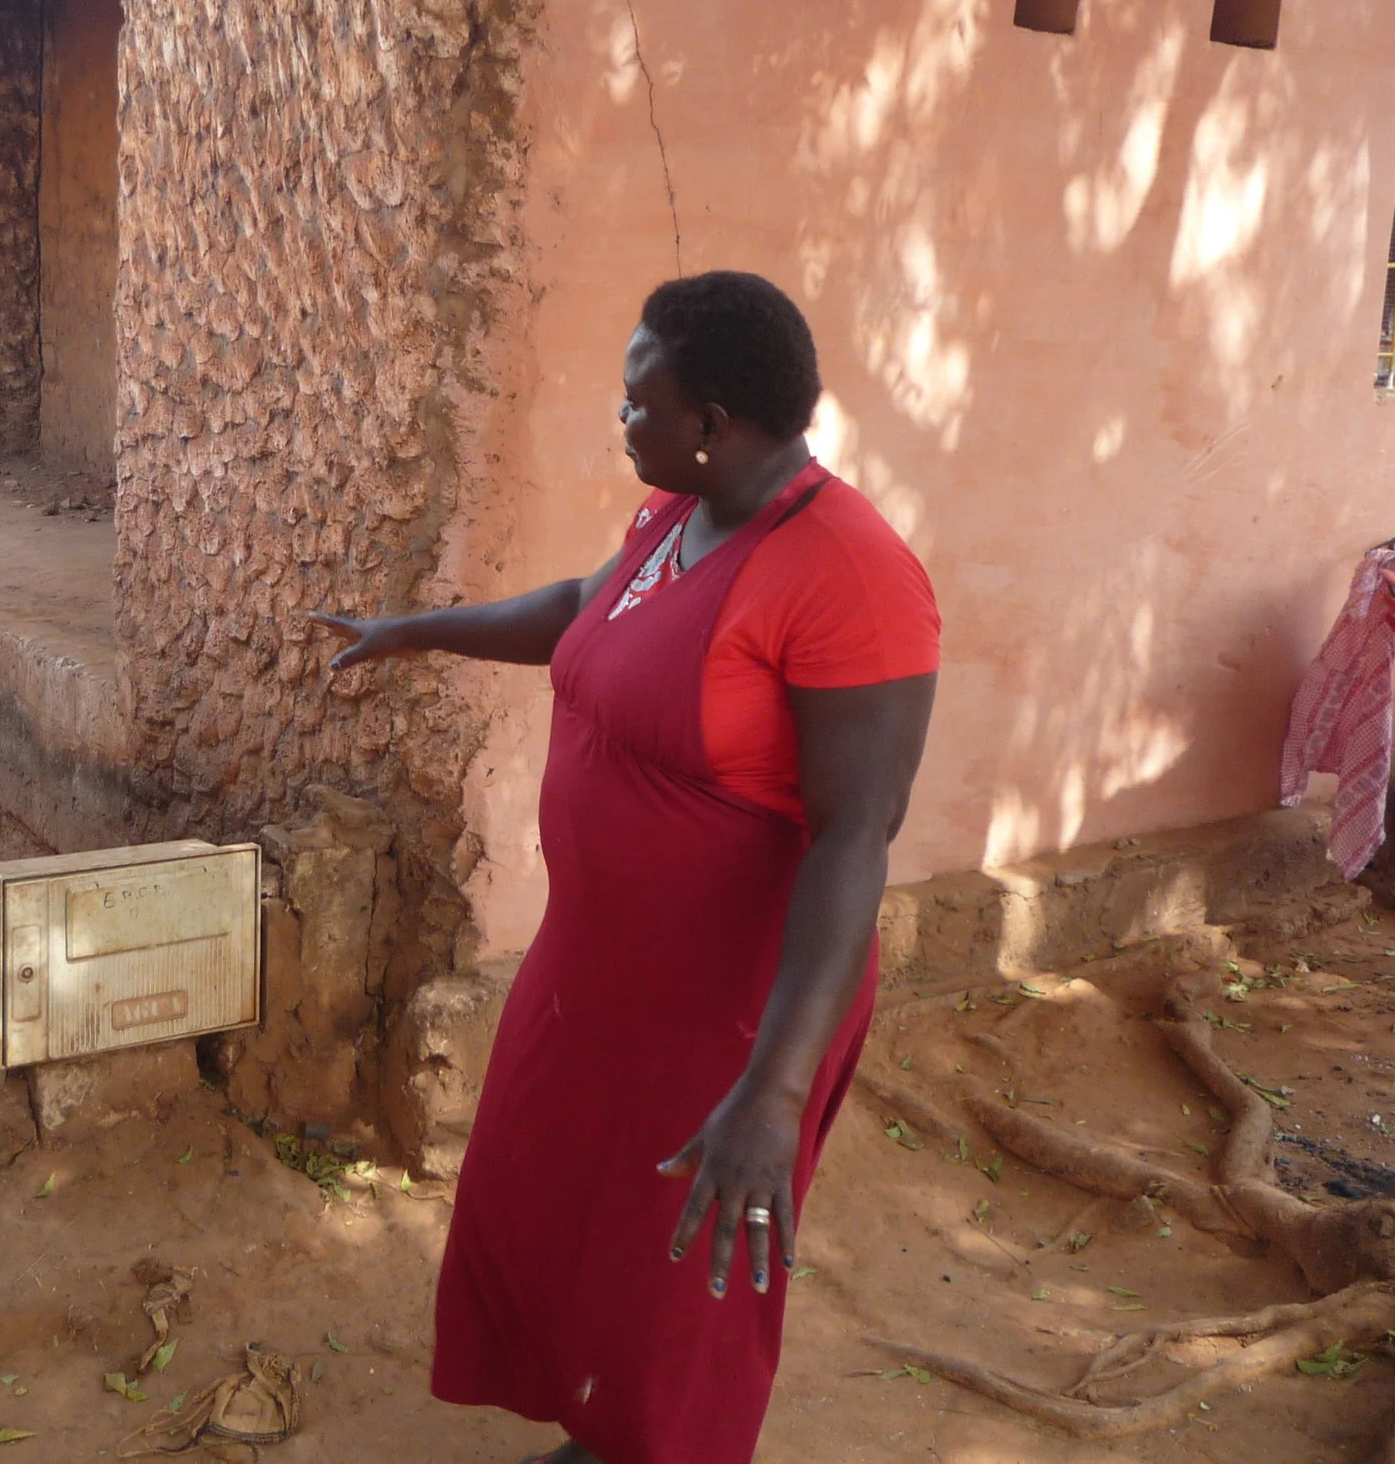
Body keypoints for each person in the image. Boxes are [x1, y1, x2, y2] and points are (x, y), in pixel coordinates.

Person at [310, 272, 939, 1464]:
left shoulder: (847, 573)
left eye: (637, 399)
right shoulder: (677, 517)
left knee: (679, 1266)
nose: (621, 417)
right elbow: (581, 610)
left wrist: (773, 1089)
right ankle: (605, 1431)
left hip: (730, 1008)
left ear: (712, 422)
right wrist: (416, 629)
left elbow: (857, 838)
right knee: (556, 1209)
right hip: (598, 970)